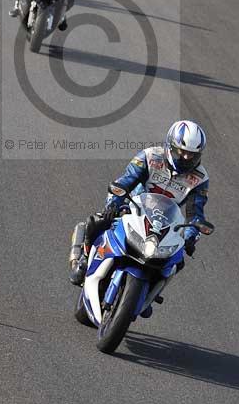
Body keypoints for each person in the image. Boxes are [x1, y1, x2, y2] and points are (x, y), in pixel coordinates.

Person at [69, 120, 210, 307]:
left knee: (177, 260)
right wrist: (113, 204)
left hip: (166, 222)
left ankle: (149, 294)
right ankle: (84, 260)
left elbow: (196, 214)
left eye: (191, 155)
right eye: (181, 152)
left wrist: (191, 235)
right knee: (97, 221)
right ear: (170, 145)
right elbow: (126, 180)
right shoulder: (150, 156)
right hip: (133, 207)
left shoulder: (200, 178)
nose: (185, 158)